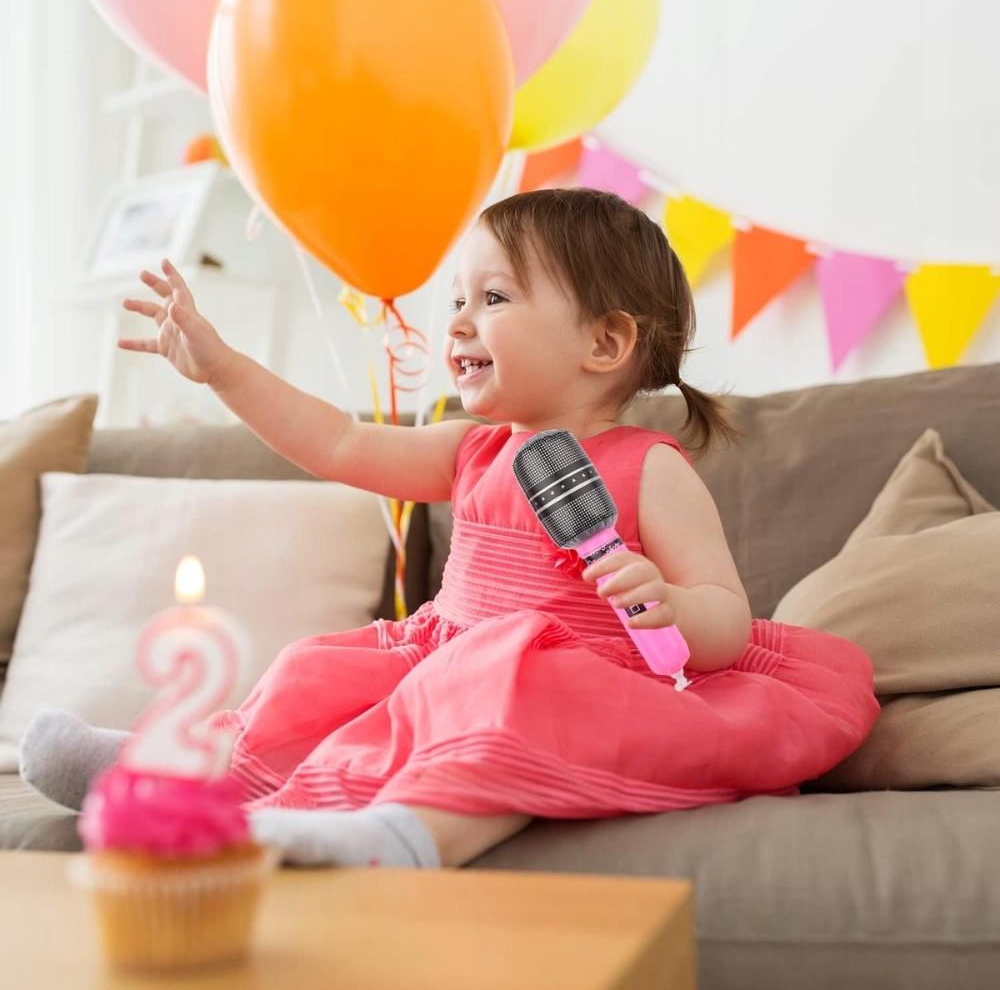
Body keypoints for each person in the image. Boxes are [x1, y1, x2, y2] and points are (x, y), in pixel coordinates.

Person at [20, 189, 879, 869]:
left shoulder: (649, 469)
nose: (458, 321)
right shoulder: (471, 449)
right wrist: (223, 369)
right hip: (443, 657)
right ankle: (173, 770)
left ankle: (398, 838)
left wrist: (673, 606)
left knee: (508, 714)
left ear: (606, 342)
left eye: (493, 297)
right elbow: (337, 442)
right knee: (310, 678)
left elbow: (727, 622)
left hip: (573, 683)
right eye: (458, 299)